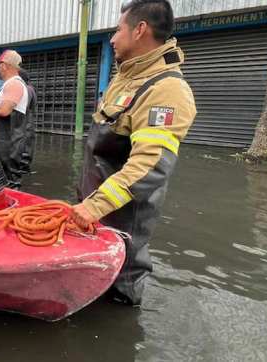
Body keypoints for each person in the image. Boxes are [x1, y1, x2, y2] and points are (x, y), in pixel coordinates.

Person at [70, 0, 197, 306]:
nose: (112, 38)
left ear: (140, 30)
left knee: (116, 298)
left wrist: (94, 206)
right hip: (96, 218)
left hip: (121, 226)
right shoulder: (125, 76)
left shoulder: (167, 89)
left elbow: (150, 164)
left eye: (117, 29)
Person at [0, 49, 32, 188]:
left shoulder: (14, 84)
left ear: (5, 65)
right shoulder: (9, 84)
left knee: (9, 182)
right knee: (3, 181)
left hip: (8, 146)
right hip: (3, 145)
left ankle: (13, 208)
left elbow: (4, 111)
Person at [18, 69, 37, 174]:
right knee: (27, 144)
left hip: (26, 121)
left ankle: (23, 168)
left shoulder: (27, 89)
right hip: (28, 121)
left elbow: (23, 106)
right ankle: (24, 167)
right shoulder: (30, 88)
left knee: (25, 144)